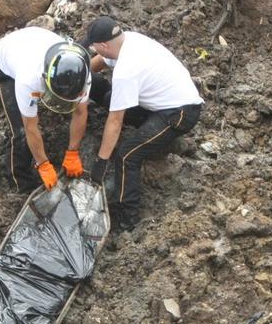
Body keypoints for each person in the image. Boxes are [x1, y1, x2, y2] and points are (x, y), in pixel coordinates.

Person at [82, 16, 204, 231]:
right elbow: (100, 61)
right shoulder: (127, 40)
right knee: (111, 98)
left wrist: (101, 163)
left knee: (127, 155)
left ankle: (127, 218)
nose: (96, 51)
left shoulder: (127, 70)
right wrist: (80, 73)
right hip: (162, 103)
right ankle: (160, 140)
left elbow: (115, 120)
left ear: (103, 45)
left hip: (180, 113)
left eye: (94, 47)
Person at [0, 26, 92, 193]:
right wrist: (43, 164)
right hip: (9, 57)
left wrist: (73, 152)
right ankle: (21, 184)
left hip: (39, 41)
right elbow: (30, 126)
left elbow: (81, 112)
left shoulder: (82, 75)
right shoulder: (28, 79)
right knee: (20, 133)